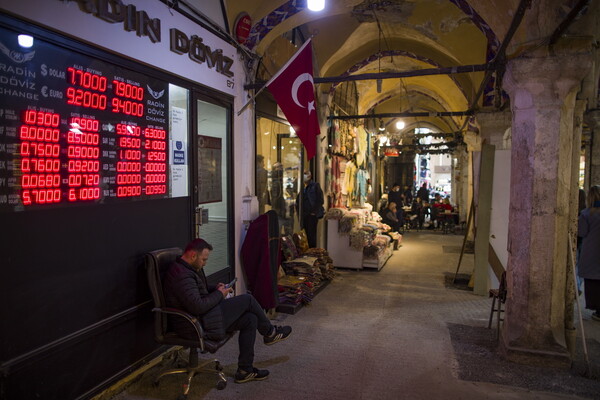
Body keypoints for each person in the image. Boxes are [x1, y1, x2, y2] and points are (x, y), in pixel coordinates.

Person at [162, 239, 292, 383]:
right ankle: (270, 333)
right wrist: (220, 294)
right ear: (193, 255)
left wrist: (215, 288)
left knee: (250, 319)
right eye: (204, 259)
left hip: (202, 317)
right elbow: (197, 306)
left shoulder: (186, 268)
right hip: (194, 324)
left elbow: (196, 292)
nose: (205, 263)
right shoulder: (182, 276)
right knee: (247, 299)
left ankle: (245, 370)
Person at [578, 185, 600, 321]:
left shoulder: (587, 214)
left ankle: (598, 310)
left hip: (591, 252)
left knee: (593, 283)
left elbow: (581, 232)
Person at [300, 170, 325, 248]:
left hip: (311, 215)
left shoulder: (315, 186)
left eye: (305, 174)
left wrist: (314, 211)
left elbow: (320, 200)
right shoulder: (302, 186)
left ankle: (311, 252)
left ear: (309, 176)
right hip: (304, 214)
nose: (304, 175)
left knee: (311, 236)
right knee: (304, 236)